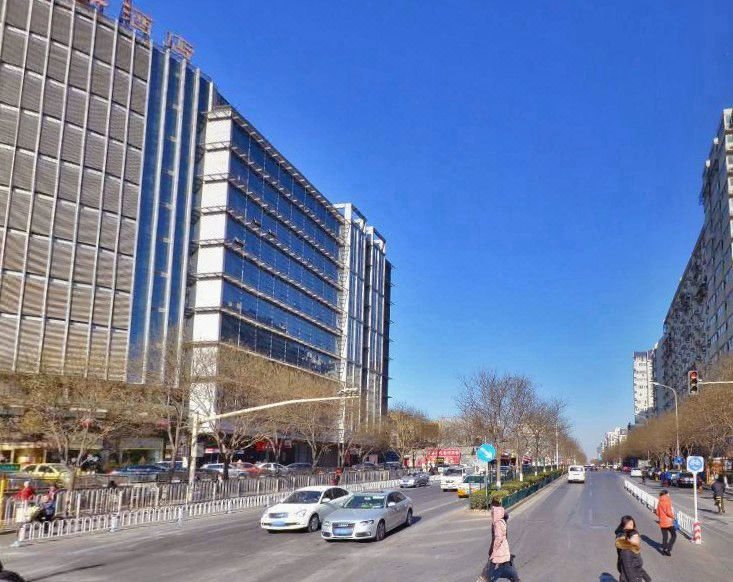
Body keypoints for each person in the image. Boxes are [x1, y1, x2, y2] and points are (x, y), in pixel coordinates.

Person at [479, 498, 521, 582]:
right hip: (503, 547)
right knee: (505, 564)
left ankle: (484, 579)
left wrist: (494, 547)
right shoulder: (501, 520)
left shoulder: (498, 522)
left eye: (492, 509)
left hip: (499, 547)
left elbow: (499, 537)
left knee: (492, 563)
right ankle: (516, 579)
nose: (491, 512)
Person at [655, 489, 676, 556]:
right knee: (674, 535)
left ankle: (663, 550)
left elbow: (657, 512)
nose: (669, 494)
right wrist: (673, 517)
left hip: (662, 521)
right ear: (666, 494)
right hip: (668, 522)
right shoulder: (667, 500)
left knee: (665, 536)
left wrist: (661, 517)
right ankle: (668, 549)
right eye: (668, 493)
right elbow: (668, 512)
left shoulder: (660, 501)